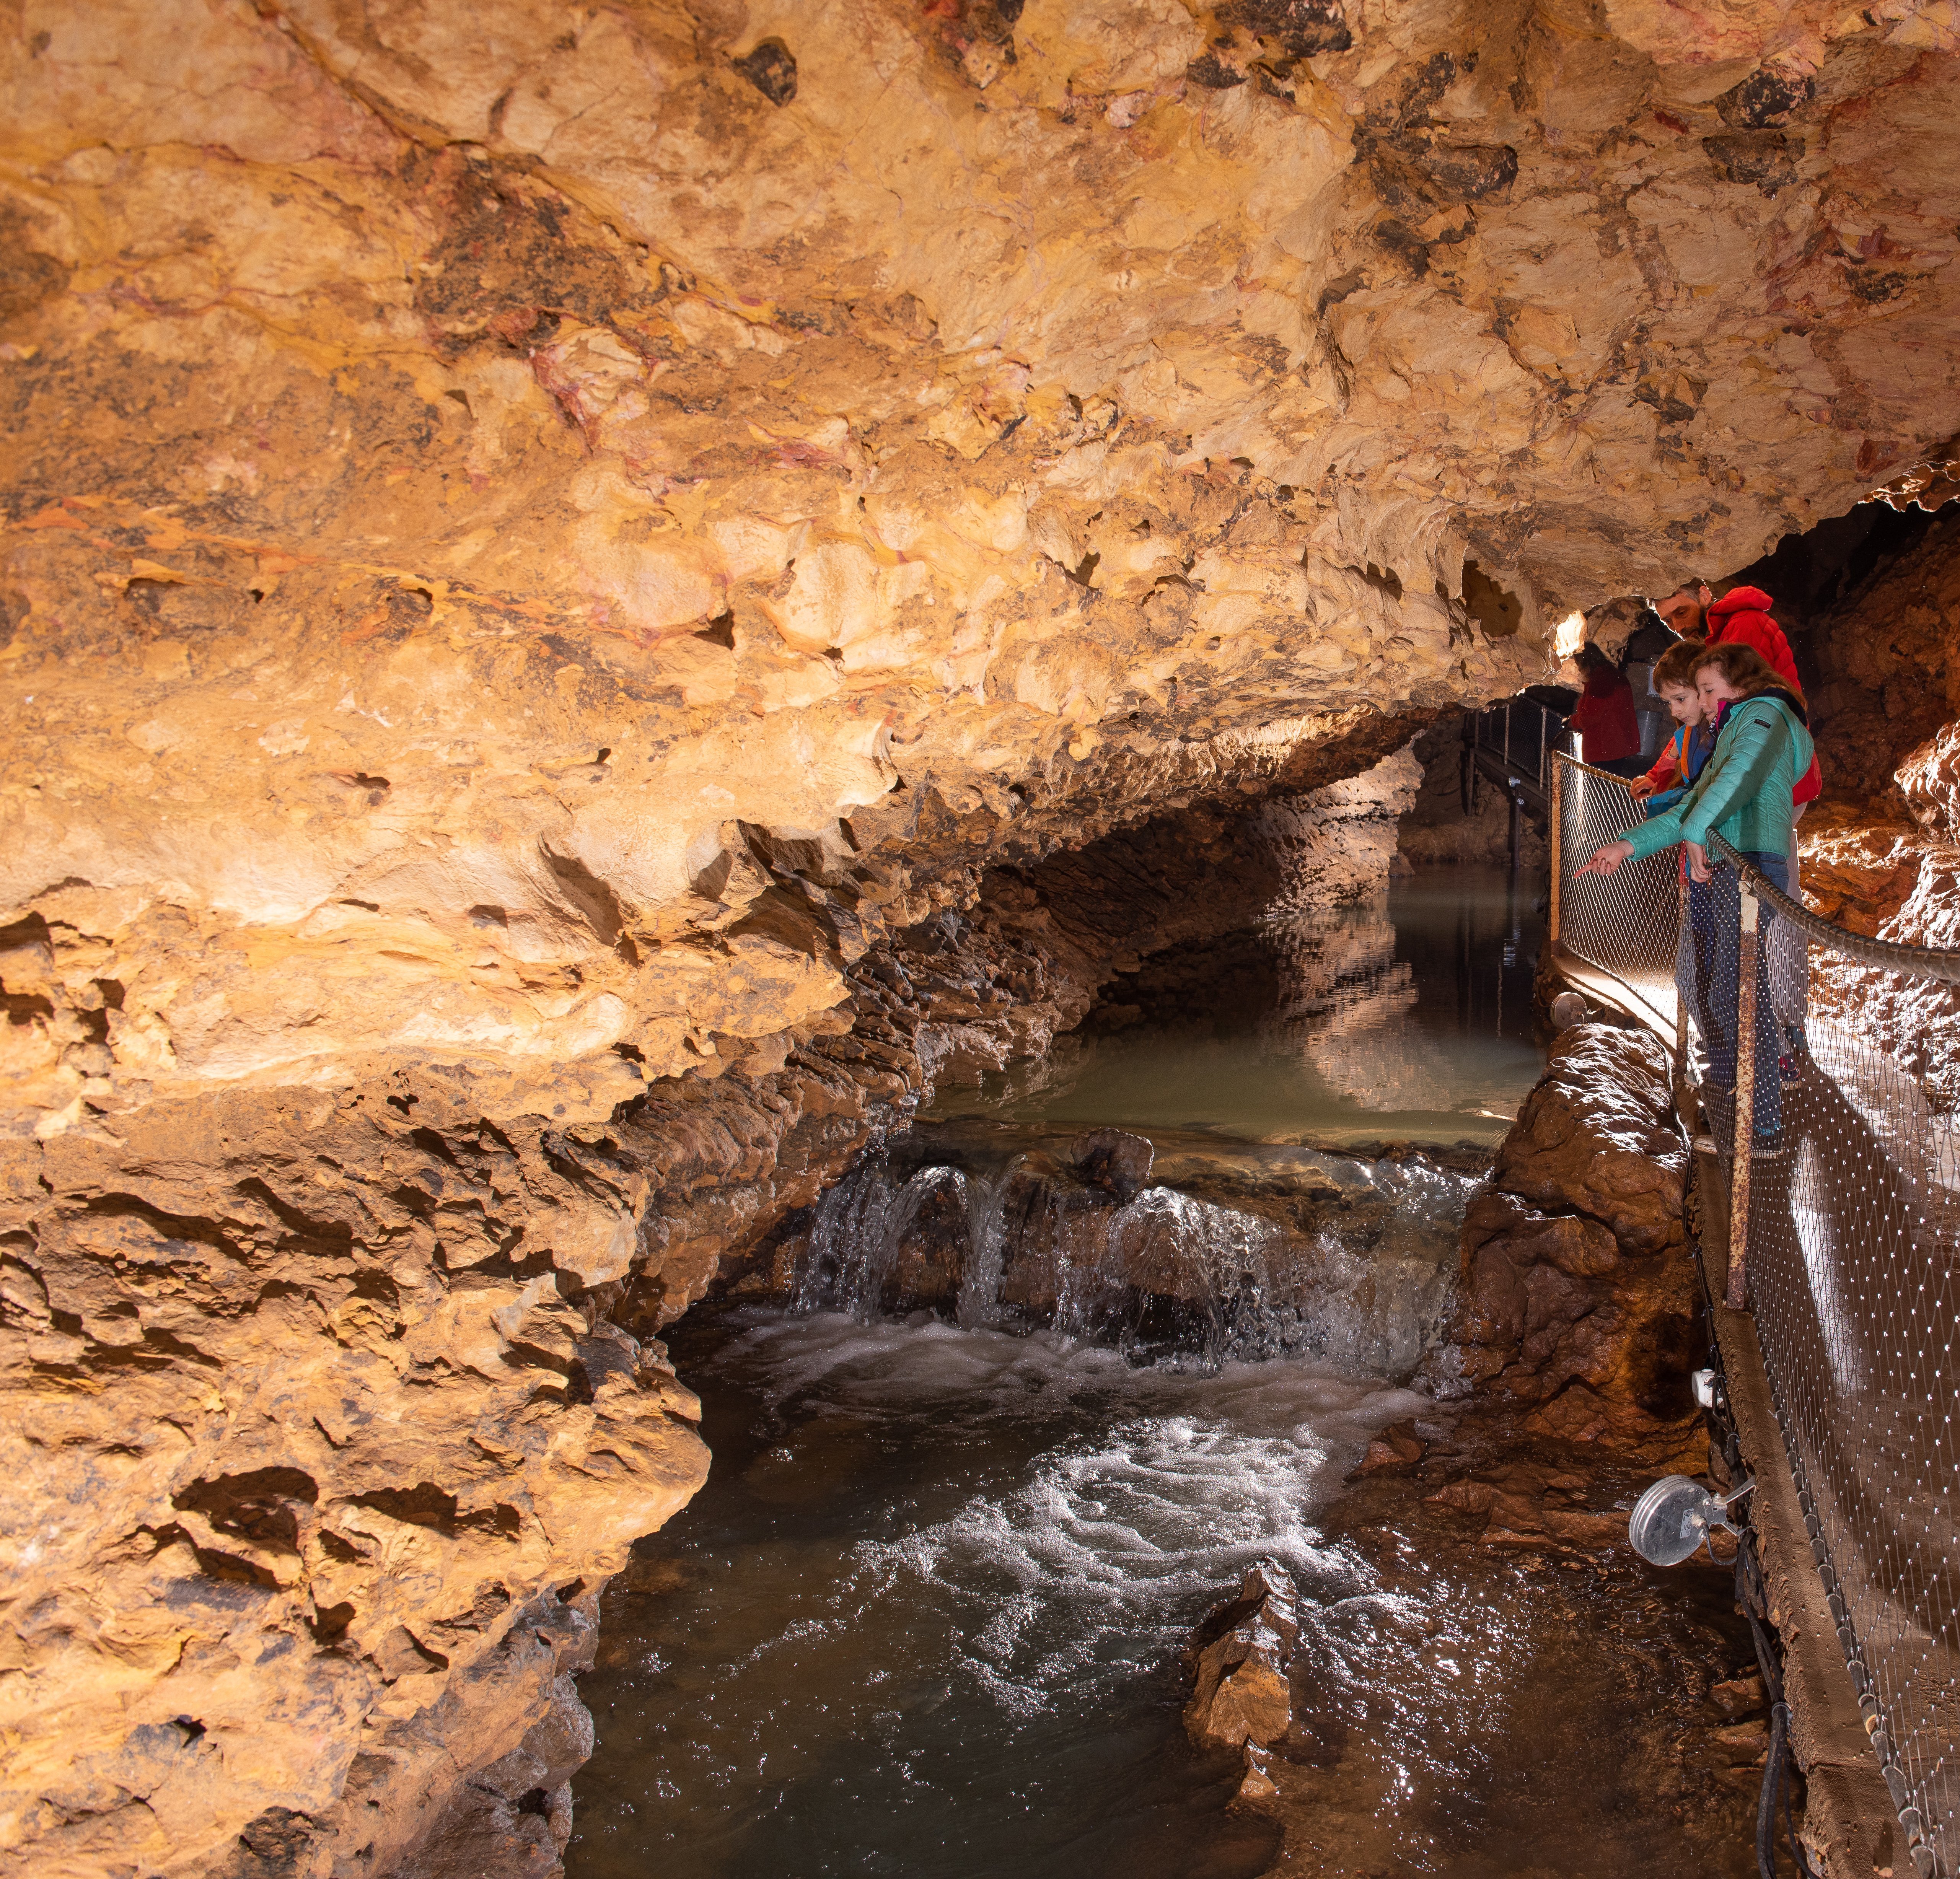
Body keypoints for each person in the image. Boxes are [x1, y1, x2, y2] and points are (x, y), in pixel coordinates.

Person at [1573, 641, 1814, 1153]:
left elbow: (1733, 783)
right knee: (1715, 986)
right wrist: (1626, 845)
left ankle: (1761, 1128)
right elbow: (1697, 806)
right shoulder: (1736, 723)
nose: (1703, 702)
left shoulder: (1764, 715)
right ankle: (1729, 1104)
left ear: (1740, 680)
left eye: (1708, 690)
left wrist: (1698, 833)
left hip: (1748, 863)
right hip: (1726, 859)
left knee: (1739, 993)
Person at [1568, 643, 1645, 777]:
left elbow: (1589, 718)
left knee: (1598, 790)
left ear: (1587, 662)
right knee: (1611, 786)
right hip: (1616, 746)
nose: (1579, 669)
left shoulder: (1601, 681)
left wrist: (1572, 721)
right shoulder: (1612, 675)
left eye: (1579, 664)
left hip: (1604, 749)